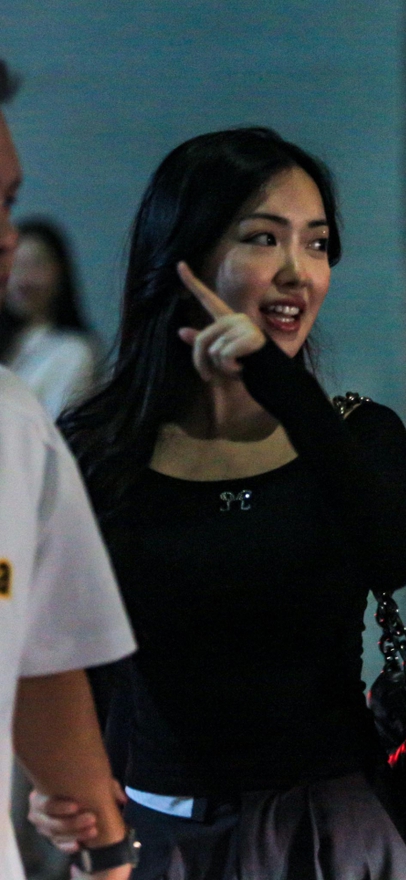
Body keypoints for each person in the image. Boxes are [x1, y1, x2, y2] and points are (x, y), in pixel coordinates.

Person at [31, 127, 406, 879]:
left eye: (317, 244)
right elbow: (71, 652)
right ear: (183, 257)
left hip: (332, 833)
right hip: (161, 839)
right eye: (263, 239)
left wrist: (279, 384)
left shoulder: (354, 434)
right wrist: (66, 790)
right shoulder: (98, 448)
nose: (298, 273)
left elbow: (393, 556)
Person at [0, 58, 138, 880]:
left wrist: (107, 848)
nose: (8, 241)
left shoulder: (17, 419)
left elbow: (45, 660)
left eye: (9, 203)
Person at [0, 217, 97, 418]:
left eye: (36, 264)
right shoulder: (11, 344)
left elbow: (55, 425)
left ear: (60, 272)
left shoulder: (74, 352)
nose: (23, 279)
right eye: (14, 265)